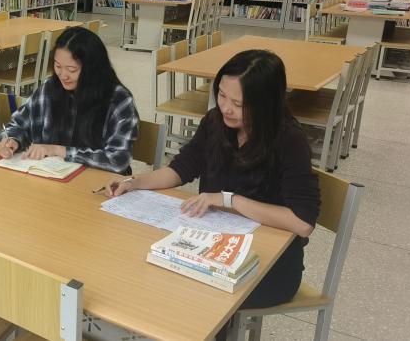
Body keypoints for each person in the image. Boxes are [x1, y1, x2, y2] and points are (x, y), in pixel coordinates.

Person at [104, 50, 320, 332]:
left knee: (190, 293)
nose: (226, 108)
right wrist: (134, 182)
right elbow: (182, 167)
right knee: (153, 270)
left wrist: (231, 200)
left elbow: (302, 222)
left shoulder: (289, 141)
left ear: (265, 103)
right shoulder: (216, 122)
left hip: (268, 264)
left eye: (238, 103)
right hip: (212, 244)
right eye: (221, 95)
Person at [0, 26, 139, 174]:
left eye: (72, 70)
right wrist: (12, 140)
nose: (63, 75)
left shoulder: (119, 101)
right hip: (51, 177)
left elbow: (118, 160)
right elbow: (18, 125)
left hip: (99, 183)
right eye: (58, 66)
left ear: (93, 69)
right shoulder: (49, 89)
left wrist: (59, 150)